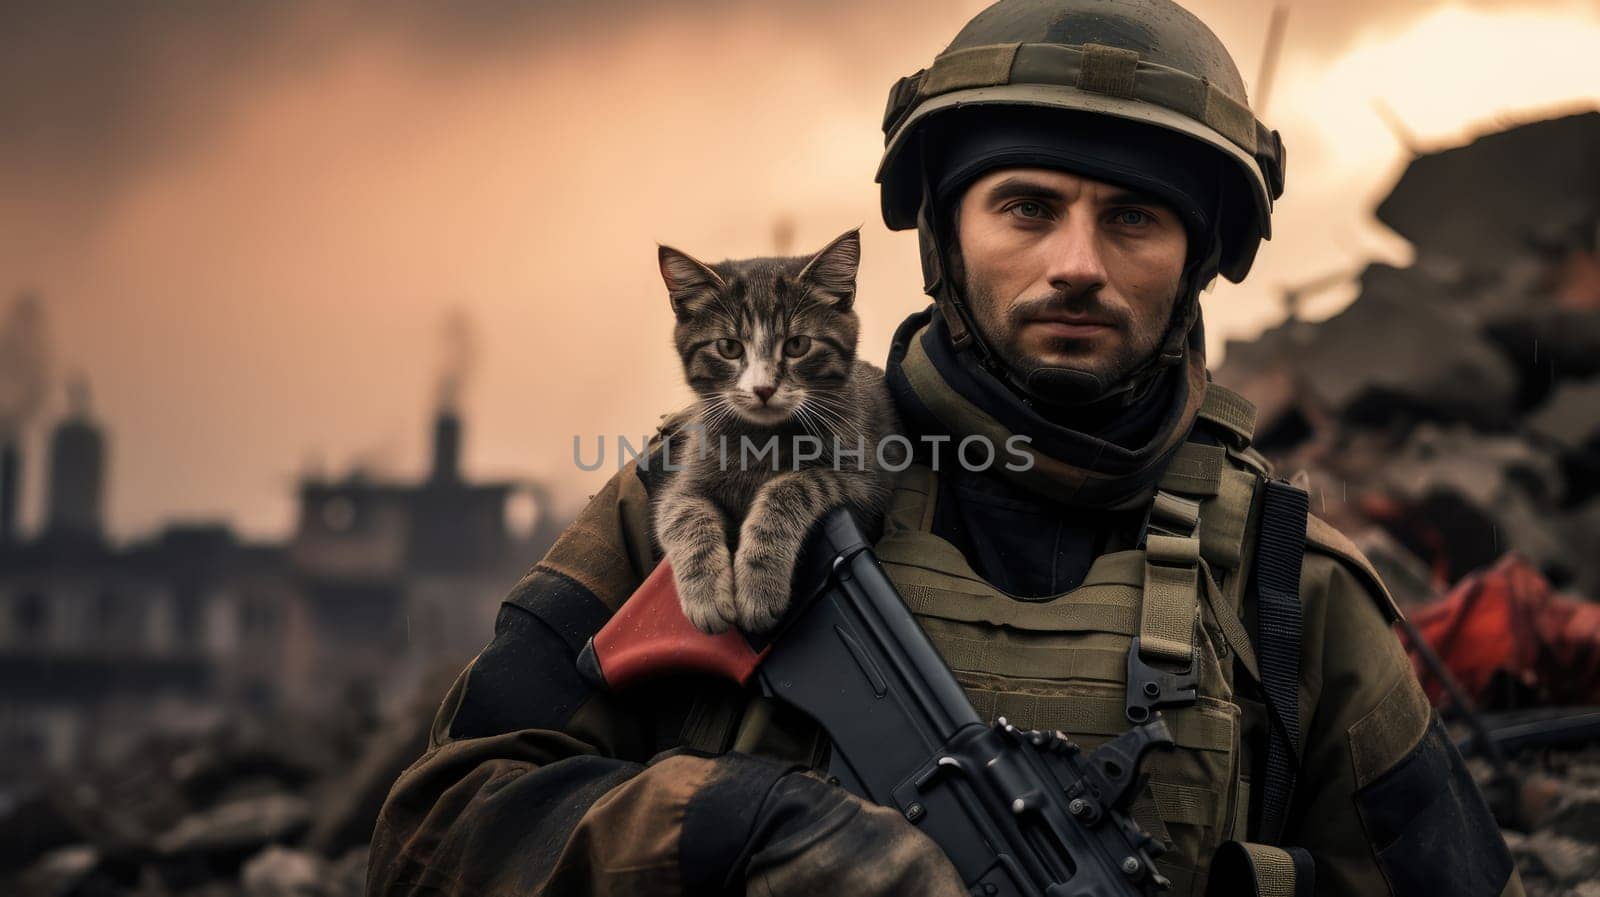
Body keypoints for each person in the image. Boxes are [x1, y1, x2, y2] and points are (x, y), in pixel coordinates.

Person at [366, 1, 1524, 895]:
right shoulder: (707, 489)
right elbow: (437, 829)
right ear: (942, 235)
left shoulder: (1286, 587)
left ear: (1198, 258)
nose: (1077, 260)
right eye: (1026, 207)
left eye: (1132, 217)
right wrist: (747, 829)